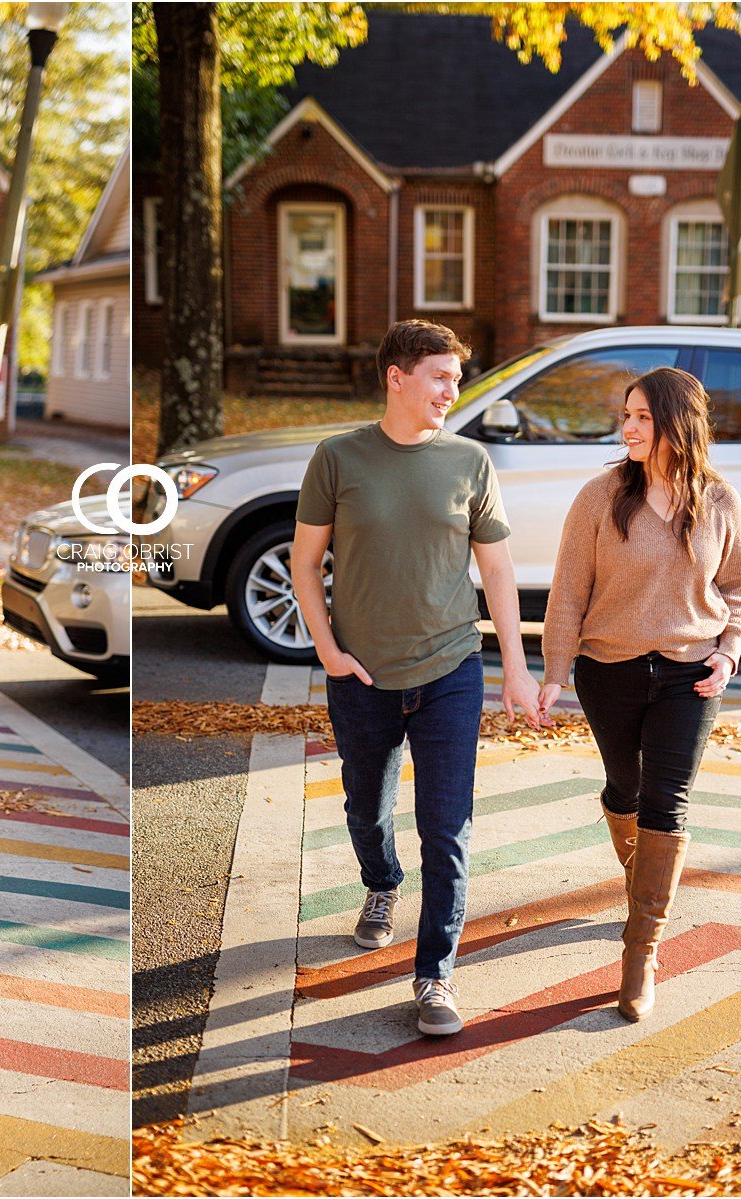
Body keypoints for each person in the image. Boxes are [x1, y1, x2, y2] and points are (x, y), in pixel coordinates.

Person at [291, 319, 543, 1039]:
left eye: (456, 378)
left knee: (448, 828)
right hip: (362, 673)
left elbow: (496, 570)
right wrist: (330, 651)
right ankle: (381, 882)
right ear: (395, 376)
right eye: (440, 375)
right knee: (366, 809)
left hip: (451, 668)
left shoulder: (470, 462)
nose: (452, 389)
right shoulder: (337, 458)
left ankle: (435, 974)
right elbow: (304, 563)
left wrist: (515, 672)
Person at [536, 366, 741, 1022]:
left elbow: (737, 587)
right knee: (624, 788)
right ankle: (643, 884)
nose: (626, 427)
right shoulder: (601, 495)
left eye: (641, 417)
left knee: (668, 800)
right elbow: (569, 590)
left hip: (691, 675)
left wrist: (728, 650)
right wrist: (552, 671)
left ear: (676, 424)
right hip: (609, 670)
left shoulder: (718, 499)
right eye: (625, 415)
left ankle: (641, 952)